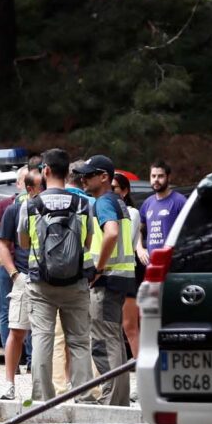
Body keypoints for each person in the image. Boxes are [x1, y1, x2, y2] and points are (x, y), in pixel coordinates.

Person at [19, 149, 95, 401]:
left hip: (41, 284)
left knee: (42, 339)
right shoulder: (83, 203)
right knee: (80, 342)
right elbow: (88, 241)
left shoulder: (30, 205)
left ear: (46, 171)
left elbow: (24, 244)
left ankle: (43, 398)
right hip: (76, 282)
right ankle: (84, 397)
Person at [77, 155, 136, 406]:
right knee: (114, 338)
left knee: (104, 340)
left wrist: (98, 268)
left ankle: (111, 400)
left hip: (107, 278)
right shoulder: (117, 201)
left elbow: (110, 232)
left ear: (104, 177)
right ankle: (119, 399)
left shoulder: (102, 202)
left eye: (89, 175)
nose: (84, 179)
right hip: (120, 277)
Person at [0, 168, 41, 399]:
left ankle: (42, 387)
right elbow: (2, 243)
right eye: (40, 186)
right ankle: (9, 384)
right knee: (16, 331)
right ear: (29, 188)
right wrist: (14, 274)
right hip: (23, 278)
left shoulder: (52, 209)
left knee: (47, 335)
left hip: (47, 281)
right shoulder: (13, 210)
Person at [0, 166, 28, 355]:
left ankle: (30, 358)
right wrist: (2, 259)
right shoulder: (5, 205)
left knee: (31, 310)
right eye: (24, 181)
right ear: (18, 184)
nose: (27, 186)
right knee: (6, 310)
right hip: (7, 264)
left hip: (27, 264)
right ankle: (11, 356)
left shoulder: (38, 204)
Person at [112, 173, 142, 362]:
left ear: (124, 191)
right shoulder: (104, 209)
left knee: (129, 326)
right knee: (110, 328)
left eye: (115, 188)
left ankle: (141, 368)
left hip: (125, 273)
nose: (111, 191)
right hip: (108, 274)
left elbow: (125, 243)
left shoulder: (132, 213)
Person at [138, 160, 188, 264]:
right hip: (152, 266)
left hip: (174, 264)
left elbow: (191, 230)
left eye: (160, 176)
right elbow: (137, 229)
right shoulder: (148, 203)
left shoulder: (180, 201)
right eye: (153, 176)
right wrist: (140, 249)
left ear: (169, 177)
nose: (156, 180)